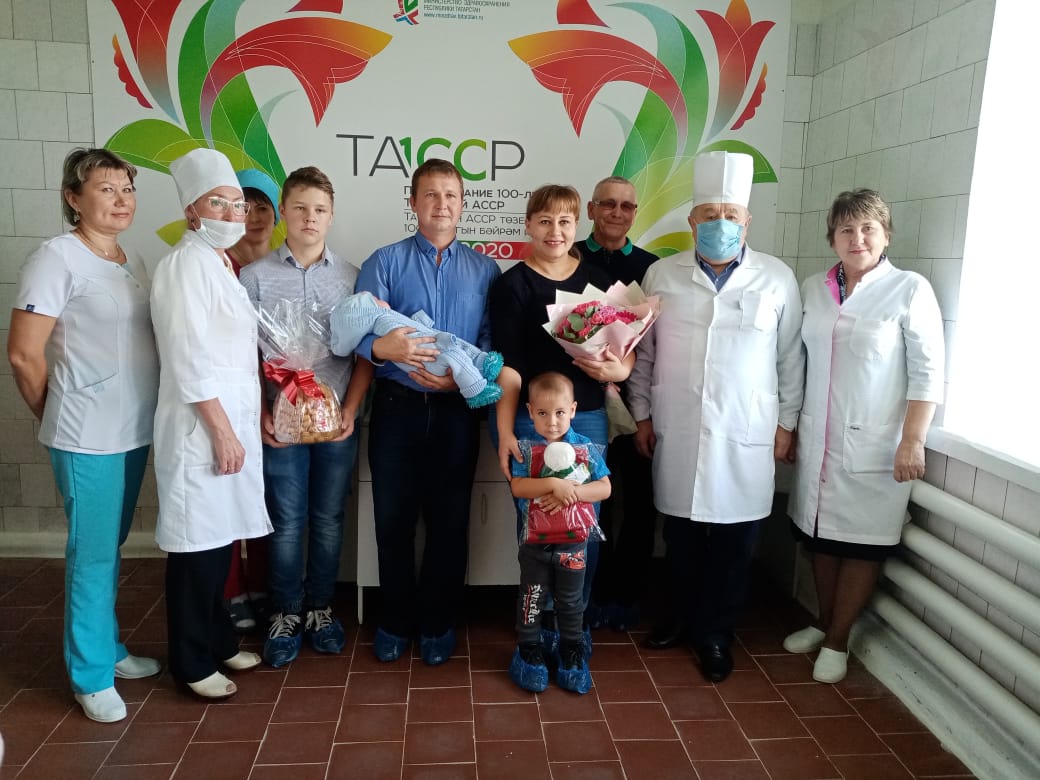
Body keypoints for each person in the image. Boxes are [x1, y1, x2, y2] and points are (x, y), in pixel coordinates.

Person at [628, 151, 804, 682]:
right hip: (677, 425)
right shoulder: (662, 274)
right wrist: (641, 416)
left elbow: (790, 357)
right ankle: (679, 619)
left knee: (734, 543)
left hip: (745, 431)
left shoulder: (776, 278)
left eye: (730, 214)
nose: (720, 223)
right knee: (680, 536)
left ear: (747, 221)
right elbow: (643, 354)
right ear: (692, 221)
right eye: (709, 214)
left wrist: (786, 423)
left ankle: (716, 634)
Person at [7, 148, 161, 723]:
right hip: (87, 434)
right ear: (73, 198)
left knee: (108, 546)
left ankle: (108, 647)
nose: (122, 200)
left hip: (132, 429)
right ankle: (90, 674)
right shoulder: (56, 258)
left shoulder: (131, 258)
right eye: (106, 189)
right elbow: (23, 354)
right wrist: (55, 413)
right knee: (92, 554)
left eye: (128, 189)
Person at [784, 189, 944, 684]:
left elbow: (928, 373)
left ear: (886, 235)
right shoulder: (813, 288)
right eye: (846, 229)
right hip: (819, 437)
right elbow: (798, 362)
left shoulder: (909, 289)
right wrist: (791, 425)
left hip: (875, 443)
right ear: (832, 237)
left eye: (868, 228)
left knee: (861, 545)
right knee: (819, 539)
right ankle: (822, 622)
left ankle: (838, 640)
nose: (857, 239)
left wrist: (912, 440)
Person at [353, 158, 501, 665]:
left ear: (463, 203)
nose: (441, 204)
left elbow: (489, 339)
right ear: (413, 202)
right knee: (393, 519)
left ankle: (438, 623)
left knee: (449, 521)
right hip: (396, 410)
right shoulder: (384, 262)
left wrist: (460, 377)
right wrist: (382, 349)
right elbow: (354, 334)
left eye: (451, 195)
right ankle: (394, 622)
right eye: (431, 195)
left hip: (457, 413)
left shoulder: (484, 269)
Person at [490, 184, 635, 656]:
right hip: (532, 422)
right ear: (529, 225)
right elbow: (509, 369)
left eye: (565, 221)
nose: (555, 231)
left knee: (583, 523)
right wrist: (505, 431)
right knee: (537, 525)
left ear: (578, 225)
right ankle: (538, 624)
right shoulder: (512, 286)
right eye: (545, 221)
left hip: (587, 417)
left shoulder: (597, 282)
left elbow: (624, 354)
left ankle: (574, 621)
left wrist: (618, 369)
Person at [150, 147, 272, 699]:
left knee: (220, 543)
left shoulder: (219, 263)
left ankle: (218, 639)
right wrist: (222, 430)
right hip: (201, 431)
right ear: (191, 211)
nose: (231, 213)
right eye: (217, 203)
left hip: (227, 423)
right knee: (196, 548)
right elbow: (188, 356)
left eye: (237, 203)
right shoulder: (184, 266)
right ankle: (191, 661)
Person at [240, 165, 369, 667]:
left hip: (335, 423)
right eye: (299, 208)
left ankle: (320, 607)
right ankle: (285, 612)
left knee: (329, 519)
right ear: (282, 213)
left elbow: (366, 354)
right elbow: (243, 356)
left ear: (331, 216)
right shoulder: (254, 277)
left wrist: (351, 410)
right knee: (287, 520)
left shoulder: (352, 277)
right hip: (283, 422)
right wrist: (261, 411)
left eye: (319, 210)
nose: (309, 218)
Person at [575, 175, 659, 632]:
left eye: (626, 206)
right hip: (583, 402)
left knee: (638, 501)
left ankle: (626, 596)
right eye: (607, 204)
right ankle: (589, 595)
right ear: (591, 210)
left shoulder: (652, 268)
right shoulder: (570, 258)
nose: (617, 213)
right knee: (592, 501)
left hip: (637, 403)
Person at [507, 372, 611, 695]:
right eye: (542, 413)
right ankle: (529, 647)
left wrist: (574, 492)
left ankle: (571, 649)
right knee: (532, 595)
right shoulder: (526, 450)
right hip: (535, 545)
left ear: (573, 410)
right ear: (530, 411)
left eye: (560, 412)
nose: (552, 422)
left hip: (574, 544)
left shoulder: (586, 449)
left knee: (570, 600)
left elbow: (605, 488)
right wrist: (552, 484)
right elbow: (518, 486)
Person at [223, 167, 280, 632]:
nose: (256, 216)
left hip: (281, 403)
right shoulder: (219, 267)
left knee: (266, 498)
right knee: (226, 499)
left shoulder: (281, 268)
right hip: (231, 401)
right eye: (247, 206)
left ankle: (262, 586)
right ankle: (230, 591)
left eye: (264, 206)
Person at [330, 291, 504, 408]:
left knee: (459, 350)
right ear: (367, 312)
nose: (379, 299)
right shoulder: (383, 320)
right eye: (374, 300)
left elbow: (411, 325)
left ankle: (482, 364)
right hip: (427, 358)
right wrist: (378, 348)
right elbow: (405, 335)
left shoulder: (485, 267)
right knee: (456, 357)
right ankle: (476, 389)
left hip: (450, 396)